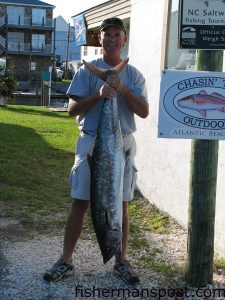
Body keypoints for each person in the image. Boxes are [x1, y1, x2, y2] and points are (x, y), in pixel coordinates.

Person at [43, 17, 149, 285]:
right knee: (80, 202)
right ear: (99, 39)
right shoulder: (85, 72)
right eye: (107, 35)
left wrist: (121, 88)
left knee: (121, 205)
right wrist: (101, 93)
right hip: (91, 141)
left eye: (117, 34)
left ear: (124, 39)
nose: (112, 39)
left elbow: (144, 112)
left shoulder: (134, 75)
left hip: (122, 143)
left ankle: (121, 262)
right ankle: (65, 260)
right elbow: (72, 110)